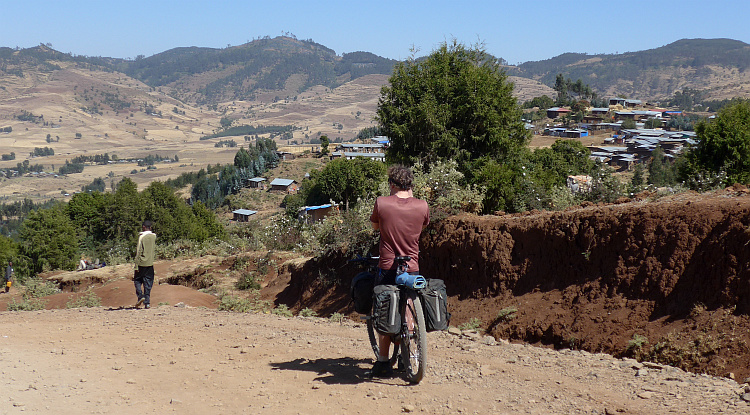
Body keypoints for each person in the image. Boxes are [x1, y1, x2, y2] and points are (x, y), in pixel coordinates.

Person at [368, 165, 429, 377]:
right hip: (412, 266)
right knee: (408, 307)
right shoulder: (422, 206)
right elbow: (423, 226)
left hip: (387, 266)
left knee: (384, 309)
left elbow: (376, 227)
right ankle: (406, 359)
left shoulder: (382, 203)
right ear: (411, 184)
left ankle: (383, 362)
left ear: (392, 184)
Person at [133, 220, 156, 309]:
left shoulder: (141, 237)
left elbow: (139, 251)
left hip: (141, 263)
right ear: (150, 227)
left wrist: (136, 264)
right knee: (148, 283)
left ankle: (140, 296)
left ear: (143, 227)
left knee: (137, 281)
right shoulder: (154, 237)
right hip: (150, 263)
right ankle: (147, 302)